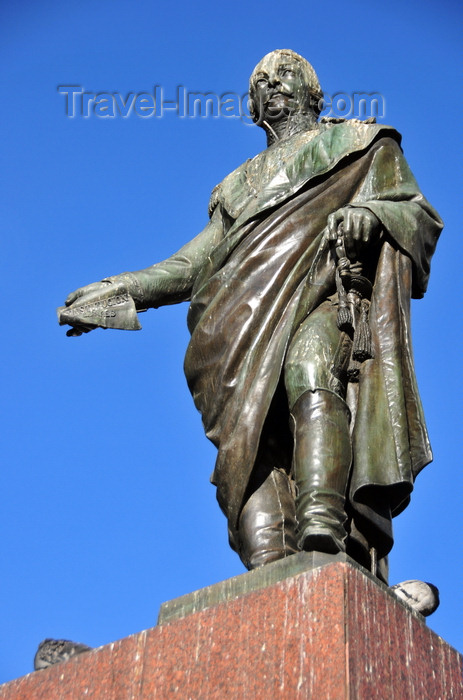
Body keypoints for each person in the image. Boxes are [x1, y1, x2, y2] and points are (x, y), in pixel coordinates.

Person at [61, 50, 442, 583]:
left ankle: (323, 526)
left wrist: (370, 212)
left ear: (313, 92)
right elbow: (192, 264)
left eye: (284, 74)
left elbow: (415, 212)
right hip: (235, 330)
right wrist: (121, 289)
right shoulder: (236, 185)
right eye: (259, 81)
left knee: (311, 372)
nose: (271, 84)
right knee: (251, 447)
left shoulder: (360, 145)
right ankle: (270, 566)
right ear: (250, 105)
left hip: (321, 294)